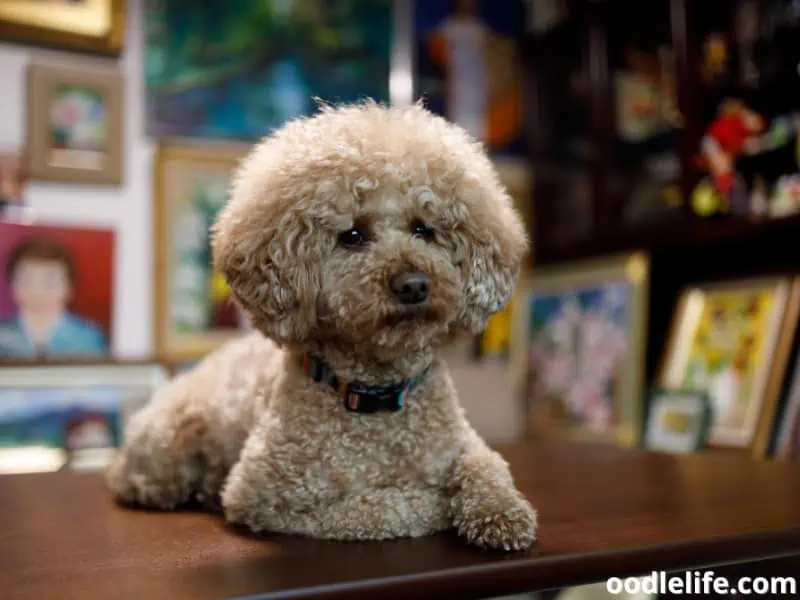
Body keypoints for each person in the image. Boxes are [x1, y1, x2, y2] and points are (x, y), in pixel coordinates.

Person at [0, 236, 108, 358]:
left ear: (68, 288)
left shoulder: (89, 337)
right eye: (27, 281)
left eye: (49, 283)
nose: (36, 292)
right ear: (13, 285)